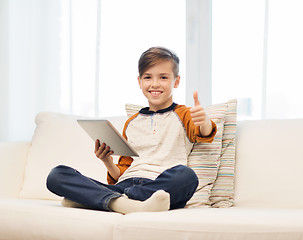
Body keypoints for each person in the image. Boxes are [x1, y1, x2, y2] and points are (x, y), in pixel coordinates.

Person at [46, 47, 217, 214]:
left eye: (163, 77)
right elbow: (123, 170)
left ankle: (103, 200)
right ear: (139, 81)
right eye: (148, 77)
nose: (155, 84)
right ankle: (125, 203)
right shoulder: (132, 122)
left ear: (176, 81)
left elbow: (204, 132)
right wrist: (107, 161)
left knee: (187, 176)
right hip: (126, 185)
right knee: (57, 175)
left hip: (158, 187)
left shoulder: (184, 114)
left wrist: (205, 121)